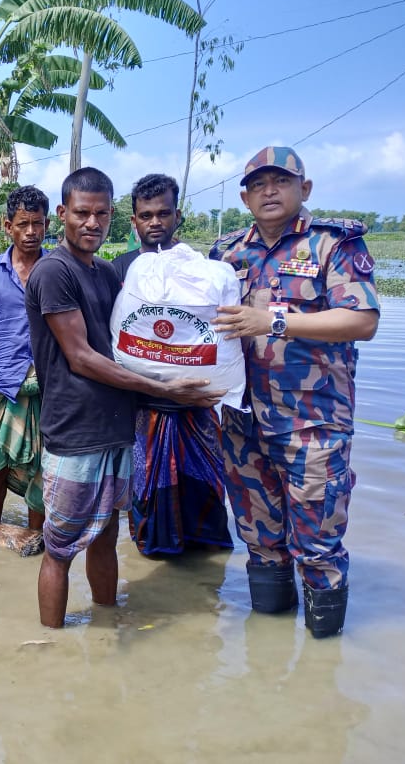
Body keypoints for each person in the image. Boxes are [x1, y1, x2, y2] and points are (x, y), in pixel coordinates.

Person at [25, 167, 224, 628]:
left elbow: (131, 343)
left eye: (100, 213)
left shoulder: (106, 273)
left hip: (116, 428)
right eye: (81, 213)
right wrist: (164, 388)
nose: (91, 223)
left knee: (106, 536)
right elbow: (81, 358)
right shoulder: (55, 271)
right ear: (62, 214)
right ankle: (48, 649)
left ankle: (106, 624)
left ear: (113, 216)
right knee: (59, 549)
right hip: (75, 432)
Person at [211, 146, 380, 638]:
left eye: (280, 181)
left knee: (319, 545)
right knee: (260, 539)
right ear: (245, 197)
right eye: (259, 183)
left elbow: (362, 320)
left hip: (312, 423)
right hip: (242, 422)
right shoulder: (226, 254)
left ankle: (323, 668)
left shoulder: (333, 244)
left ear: (303, 189)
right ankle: (269, 659)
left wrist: (275, 320)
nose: (269, 191)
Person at [113, 174, 234, 556]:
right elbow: (112, 339)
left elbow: (224, 337)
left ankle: (206, 581)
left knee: (207, 496)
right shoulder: (121, 269)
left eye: (163, 213)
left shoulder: (204, 269)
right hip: (143, 409)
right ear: (133, 220)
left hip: (197, 406)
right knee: (146, 499)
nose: (155, 222)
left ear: (177, 214)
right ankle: (154, 570)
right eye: (145, 215)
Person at [0, 185, 49, 530]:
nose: (30, 232)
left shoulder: (58, 268)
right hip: (4, 382)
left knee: (44, 468)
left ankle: (36, 534)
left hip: (49, 385)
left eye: (37, 223)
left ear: (47, 225)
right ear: (7, 226)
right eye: (22, 224)